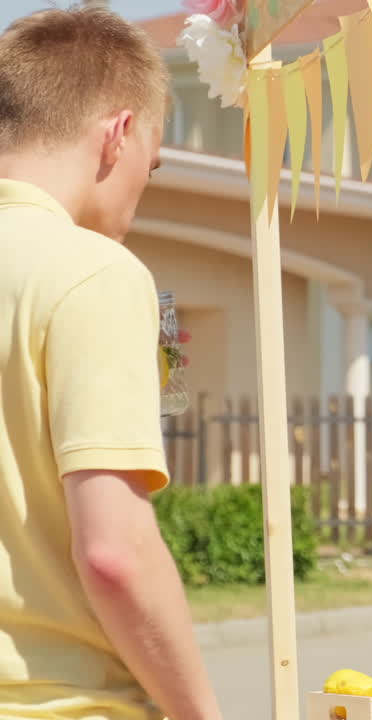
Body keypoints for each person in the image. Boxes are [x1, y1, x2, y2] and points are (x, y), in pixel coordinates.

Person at [0, 7, 224, 720]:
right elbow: (114, 553)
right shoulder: (93, 272)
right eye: (150, 165)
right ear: (118, 133)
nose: (142, 189)